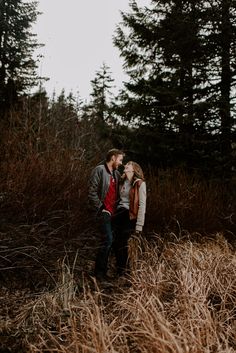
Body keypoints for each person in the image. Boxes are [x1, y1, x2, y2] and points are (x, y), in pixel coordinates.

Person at [88, 148, 124, 282]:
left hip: (113, 214)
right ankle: (99, 273)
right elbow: (91, 192)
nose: (121, 163)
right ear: (113, 158)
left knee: (110, 241)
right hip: (103, 212)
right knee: (107, 240)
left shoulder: (116, 174)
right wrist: (101, 208)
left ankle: (102, 272)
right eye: (120, 160)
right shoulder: (100, 170)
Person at [113, 161, 146, 276]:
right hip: (119, 213)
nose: (125, 165)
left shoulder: (139, 184)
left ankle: (124, 271)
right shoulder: (122, 182)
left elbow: (142, 205)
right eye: (125, 164)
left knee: (122, 242)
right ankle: (120, 269)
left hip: (130, 216)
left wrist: (139, 225)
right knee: (115, 242)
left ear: (134, 169)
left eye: (128, 165)